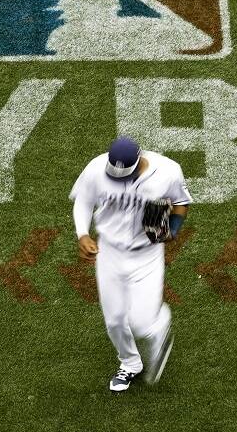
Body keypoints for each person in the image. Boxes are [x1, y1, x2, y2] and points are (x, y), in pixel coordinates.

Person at [70, 136, 192, 392]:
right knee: (114, 320)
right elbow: (83, 200)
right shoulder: (96, 169)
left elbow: (180, 202)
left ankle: (160, 325)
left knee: (140, 323)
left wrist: (173, 230)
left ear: (138, 163)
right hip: (109, 253)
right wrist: (83, 233)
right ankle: (129, 363)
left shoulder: (167, 171)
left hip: (146, 255)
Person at [44, 0, 211, 59]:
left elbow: (200, 41)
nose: (65, 14)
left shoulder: (145, 26)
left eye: (73, 9)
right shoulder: (63, 33)